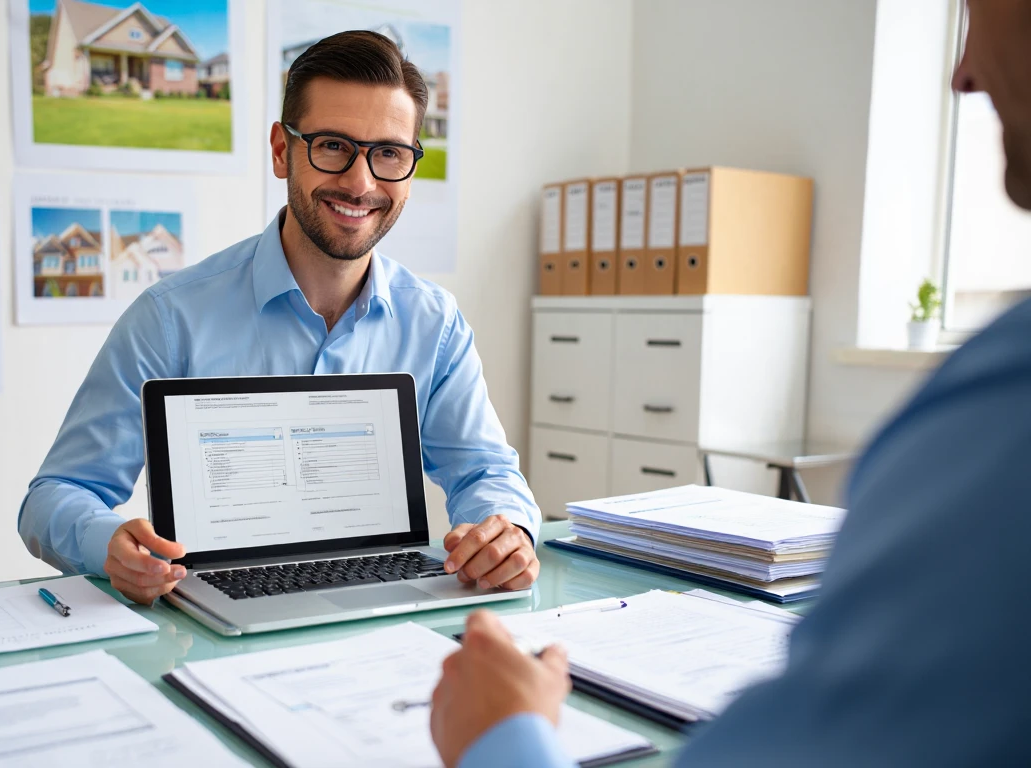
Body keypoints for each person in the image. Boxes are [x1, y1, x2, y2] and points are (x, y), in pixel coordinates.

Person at [431, 1, 1031, 765]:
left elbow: (485, 469)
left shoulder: (1001, 424)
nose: (961, 70)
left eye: (979, 11)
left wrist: (504, 737)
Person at [19, 30, 542, 606]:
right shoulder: (171, 318)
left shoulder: (434, 323)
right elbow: (54, 494)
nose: (361, 182)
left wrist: (507, 531)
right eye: (333, 145)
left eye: (389, 153)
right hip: (215, 627)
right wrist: (108, 542)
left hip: (391, 624)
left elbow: (485, 471)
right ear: (280, 150)